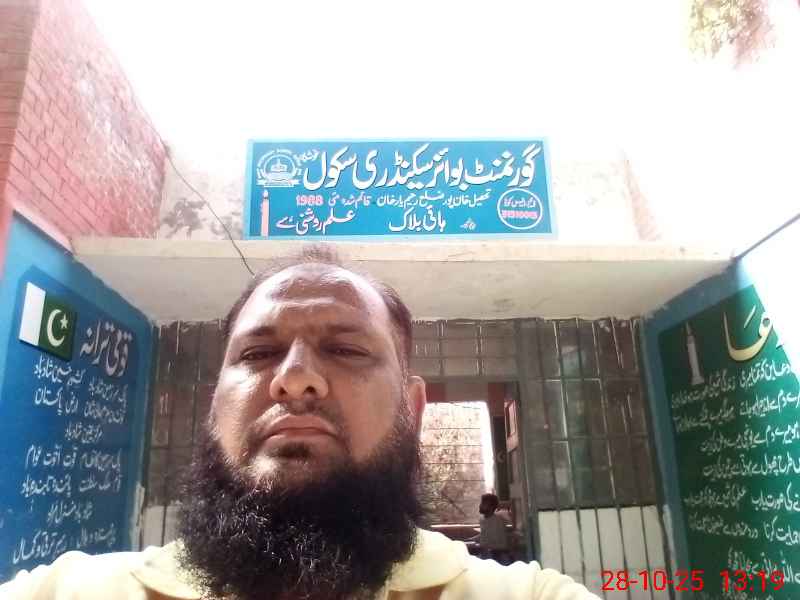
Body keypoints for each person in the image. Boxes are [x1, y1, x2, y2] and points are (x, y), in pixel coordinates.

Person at [1, 246, 599, 600]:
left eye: (346, 350)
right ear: (214, 407)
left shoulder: (524, 595)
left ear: (413, 409)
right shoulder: (63, 592)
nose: (294, 379)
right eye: (258, 353)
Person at [474, 493, 511, 563]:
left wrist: (482, 546)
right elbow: (485, 534)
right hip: (486, 553)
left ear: (491, 507)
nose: (480, 505)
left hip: (497, 555)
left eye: (483, 504)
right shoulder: (482, 519)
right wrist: (471, 539)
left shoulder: (498, 520)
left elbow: (499, 543)